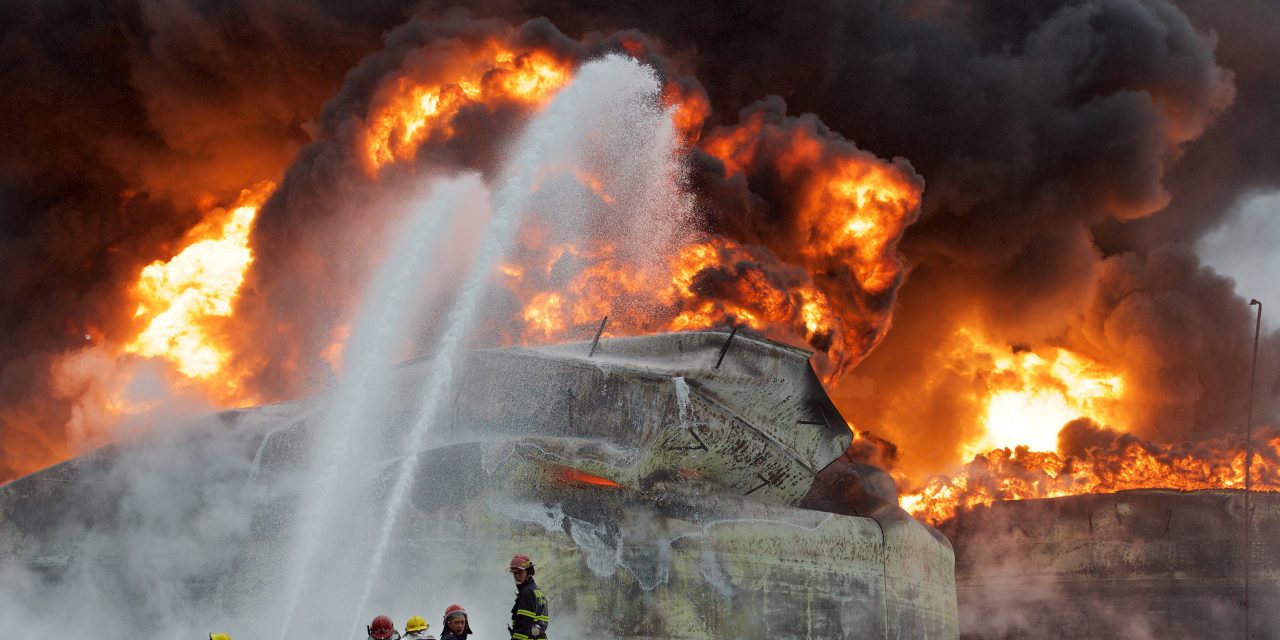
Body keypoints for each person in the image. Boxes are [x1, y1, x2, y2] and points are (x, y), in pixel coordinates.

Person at [507, 553, 549, 639]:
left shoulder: (527, 593)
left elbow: (523, 628)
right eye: (514, 573)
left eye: (520, 572)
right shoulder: (536, 590)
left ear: (528, 571)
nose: (517, 576)